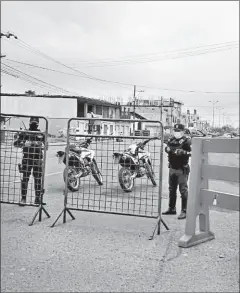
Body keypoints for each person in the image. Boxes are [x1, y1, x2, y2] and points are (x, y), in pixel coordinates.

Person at [14, 117, 46, 206]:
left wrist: (39, 144)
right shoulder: (24, 133)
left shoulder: (41, 134)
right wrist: (24, 143)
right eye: (32, 123)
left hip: (38, 158)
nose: (34, 124)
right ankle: (23, 198)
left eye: (35, 123)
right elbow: (16, 144)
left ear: (38, 124)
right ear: (29, 123)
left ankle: (37, 198)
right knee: (25, 178)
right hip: (27, 158)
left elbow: (46, 145)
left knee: (38, 179)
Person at [162, 123, 191, 219]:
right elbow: (167, 147)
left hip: (182, 169)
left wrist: (183, 152)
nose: (176, 132)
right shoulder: (171, 139)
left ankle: (184, 211)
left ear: (183, 131)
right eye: (175, 130)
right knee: (172, 190)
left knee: (183, 190)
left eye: (178, 131)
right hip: (172, 168)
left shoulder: (187, 141)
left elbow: (193, 152)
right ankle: (172, 208)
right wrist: (167, 149)